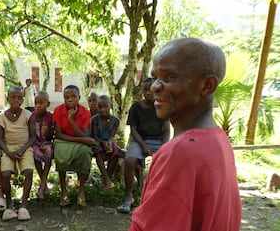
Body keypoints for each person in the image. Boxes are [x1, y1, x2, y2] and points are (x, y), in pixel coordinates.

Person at [129, 38, 242, 230]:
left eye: (169, 77)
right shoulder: (218, 139)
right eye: (155, 77)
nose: (155, 86)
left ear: (207, 85)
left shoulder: (180, 151)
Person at [117, 77, 170, 214]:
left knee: (165, 163)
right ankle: (129, 197)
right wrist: (143, 146)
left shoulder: (162, 106)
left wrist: (164, 148)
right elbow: (133, 130)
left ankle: (159, 198)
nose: (148, 93)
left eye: (151, 90)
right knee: (130, 161)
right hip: (139, 139)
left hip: (158, 140)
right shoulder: (136, 107)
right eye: (145, 90)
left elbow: (167, 130)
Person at [0, 86, 35, 221]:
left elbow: (33, 137)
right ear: (8, 99)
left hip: (25, 147)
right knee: (5, 174)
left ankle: (23, 206)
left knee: (28, 171)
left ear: (23, 100)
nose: (16, 100)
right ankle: (9, 205)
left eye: (19, 98)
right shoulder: (2, 117)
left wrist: (22, 149)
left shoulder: (27, 115)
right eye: (13, 97)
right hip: (9, 148)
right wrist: (9, 152)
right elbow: (0, 139)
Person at [53, 85, 95, 207]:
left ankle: (81, 189)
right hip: (63, 141)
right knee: (59, 152)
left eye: (73, 96)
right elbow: (59, 135)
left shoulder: (85, 112)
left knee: (85, 152)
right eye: (66, 97)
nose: (69, 99)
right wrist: (82, 139)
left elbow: (84, 133)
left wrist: (71, 120)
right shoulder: (58, 110)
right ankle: (63, 189)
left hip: (79, 142)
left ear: (79, 98)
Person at [91, 95, 123, 190]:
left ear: (111, 106)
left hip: (108, 141)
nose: (103, 110)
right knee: (98, 151)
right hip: (97, 141)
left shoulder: (116, 121)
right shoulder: (95, 119)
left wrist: (108, 143)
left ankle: (108, 177)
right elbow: (94, 136)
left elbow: (111, 136)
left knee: (115, 152)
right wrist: (103, 143)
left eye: (106, 106)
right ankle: (106, 178)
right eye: (100, 107)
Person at [30, 91, 54, 199]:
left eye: (41, 103)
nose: (38, 105)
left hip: (47, 143)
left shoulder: (50, 117)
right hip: (35, 143)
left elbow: (51, 136)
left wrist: (46, 132)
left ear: (47, 104)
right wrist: (38, 144)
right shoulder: (32, 116)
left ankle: (43, 184)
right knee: (35, 156)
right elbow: (31, 135)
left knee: (48, 156)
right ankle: (43, 184)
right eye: (36, 103)